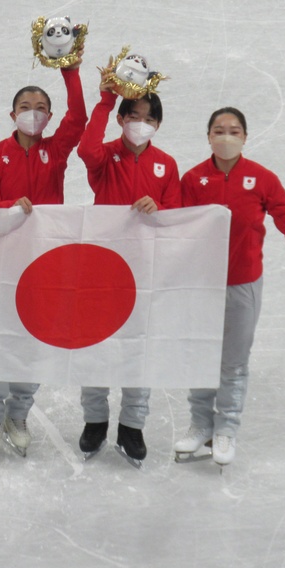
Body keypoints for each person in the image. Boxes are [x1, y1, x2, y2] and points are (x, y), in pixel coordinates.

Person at [175, 107, 285, 466]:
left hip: (242, 286)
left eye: (234, 131)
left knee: (233, 362)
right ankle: (200, 425)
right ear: (207, 137)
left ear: (246, 137)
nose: (226, 137)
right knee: (203, 357)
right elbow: (176, 231)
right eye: (218, 130)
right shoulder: (192, 180)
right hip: (201, 286)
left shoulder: (263, 179)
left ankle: (226, 429)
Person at [0, 58, 87, 456]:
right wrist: (11, 205)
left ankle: (18, 412)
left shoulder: (55, 151)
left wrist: (70, 70)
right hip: (4, 264)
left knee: (33, 341)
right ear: (13, 114)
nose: (33, 114)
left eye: (41, 108)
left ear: (49, 116)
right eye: (26, 107)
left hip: (45, 263)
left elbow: (80, 116)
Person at [74, 88, 180, 463]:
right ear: (121, 119)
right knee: (96, 345)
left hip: (145, 271)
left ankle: (133, 425)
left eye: (150, 118)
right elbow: (85, 149)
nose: (142, 124)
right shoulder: (105, 156)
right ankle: (95, 421)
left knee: (140, 347)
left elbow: (176, 218)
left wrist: (161, 207)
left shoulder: (166, 165)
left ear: (158, 125)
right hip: (102, 269)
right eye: (134, 116)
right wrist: (105, 101)